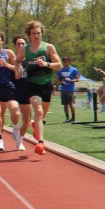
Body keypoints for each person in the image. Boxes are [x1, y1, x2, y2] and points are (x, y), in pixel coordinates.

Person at [17, 20, 62, 155]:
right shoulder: (25, 49)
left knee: (42, 115)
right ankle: (41, 142)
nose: (36, 36)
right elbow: (18, 61)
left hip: (46, 84)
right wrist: (18, 68)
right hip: (32, 84)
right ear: (29, 35)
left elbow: (59, 65)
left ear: (42, 33)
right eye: (33, 33)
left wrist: (46, 64)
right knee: (38, 110)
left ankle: (36, 125)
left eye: (38, 33)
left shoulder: (48, 47)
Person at [57, 56, 80, 123]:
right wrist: (62, 82)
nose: (65, 63)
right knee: (65, 104)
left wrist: (71, 80)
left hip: (70, 89)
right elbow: (58, 79)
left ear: (69, 62)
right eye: (64, 61)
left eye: (67, 61)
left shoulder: (74, 69)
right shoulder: (60, 70)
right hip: (63, 89)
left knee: (71, 103)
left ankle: (73, 118)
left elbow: (77, 79)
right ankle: (67, 118)